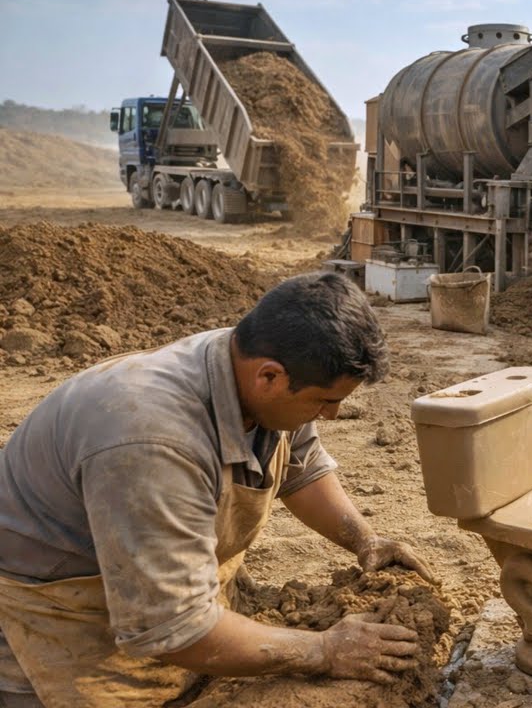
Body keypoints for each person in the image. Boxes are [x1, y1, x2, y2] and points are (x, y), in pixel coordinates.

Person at [0, 272, 434, 707]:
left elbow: (300, 466)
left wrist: (364, 538)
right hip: (56, 610)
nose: (333, 415)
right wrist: (324, 650)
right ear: (269, 377)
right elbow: (173, 628)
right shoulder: (154, 443)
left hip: (154, 580)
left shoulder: (251, 361)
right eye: (324, 401)